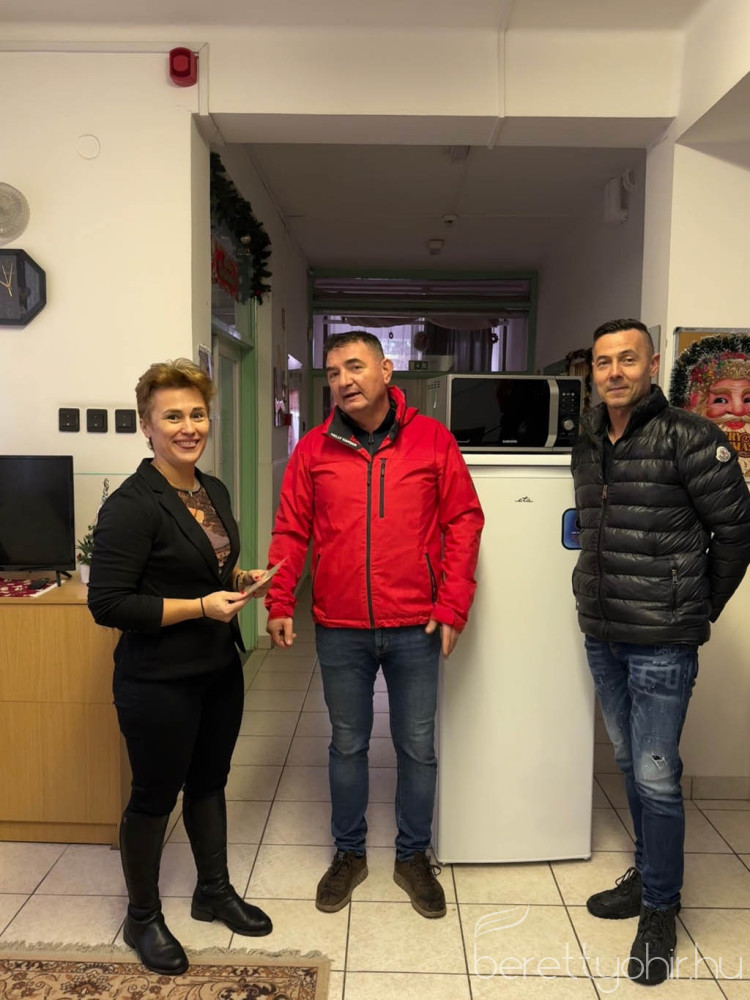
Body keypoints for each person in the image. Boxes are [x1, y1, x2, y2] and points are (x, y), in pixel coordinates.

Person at [264, 331, 484, 919]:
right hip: (340, 626)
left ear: (387, 370)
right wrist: (279, 600)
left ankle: (412, 856)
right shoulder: (313, 450)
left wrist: (452, 604)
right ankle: (349, 853)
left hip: (416, 625)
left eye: (355, 367)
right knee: (347, 744)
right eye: (334, 372)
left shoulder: (432, 440)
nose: (344, 381)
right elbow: (290, 530)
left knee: (417, 748)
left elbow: (464, 521)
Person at [572, 319, 750, 986]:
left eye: (628, 359)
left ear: (651, 366)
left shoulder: (691, 437)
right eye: (603, 362)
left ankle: (661, 908)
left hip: (662, 642)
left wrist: (695, 607)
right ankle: (648, 876)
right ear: (592, 372)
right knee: (628, 761)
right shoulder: (588, 438)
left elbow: (737, 531)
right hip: (603, 630)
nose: (614, 372)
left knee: (655, 776)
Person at [88, 359, 272, 976]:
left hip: (217, 669)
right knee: (153, 798)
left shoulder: (210, 489)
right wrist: (199, 606)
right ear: (147, 426)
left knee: (210, 782)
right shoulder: (131, 505)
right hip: (157, 681)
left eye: (197, 414)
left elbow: (203, 565)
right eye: (172, 416)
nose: (189, 426)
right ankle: (141, 916)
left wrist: (237, 578)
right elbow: (109, 604)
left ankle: (212, 891)